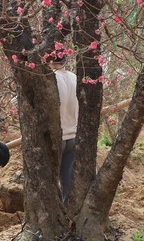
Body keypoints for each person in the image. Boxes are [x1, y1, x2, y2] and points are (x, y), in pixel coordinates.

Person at [50, 55, 79, 208]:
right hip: (73, 134)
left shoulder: (50, 78)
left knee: (50, 177)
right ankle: (67, 208)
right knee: (67, 177)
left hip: (57, 136)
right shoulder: (74, 77)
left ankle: (54, 211)